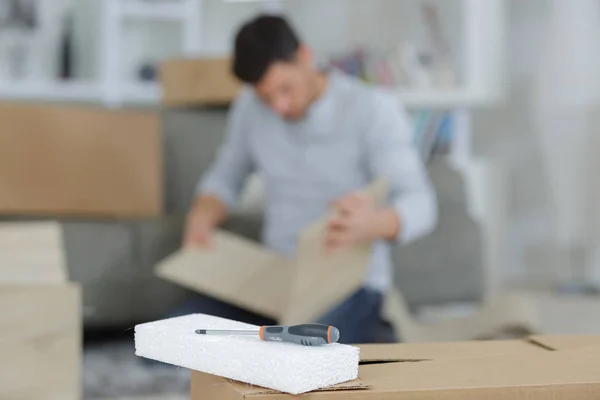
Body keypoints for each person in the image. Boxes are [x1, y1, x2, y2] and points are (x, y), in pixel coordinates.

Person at [178, 14, 437, 344]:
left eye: (285, 89)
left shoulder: (372, 109)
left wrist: (376, 222)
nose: (279, 107)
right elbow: (226, 176)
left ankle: (373, 332)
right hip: (276, 278)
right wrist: (202, 214)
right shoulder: (249, 109)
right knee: (174, 337)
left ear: (305, 56)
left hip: (349, 285)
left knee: (295, 352)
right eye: (266, 97)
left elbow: (421, 203)